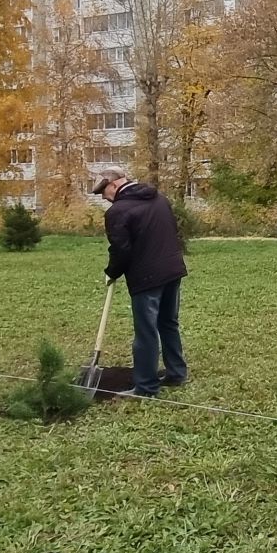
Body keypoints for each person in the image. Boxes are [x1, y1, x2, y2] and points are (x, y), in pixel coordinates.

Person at [95, 166, 188, 398]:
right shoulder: (159, 199)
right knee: (168, 323)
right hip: (173, 270)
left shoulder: (118, 212)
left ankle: (146, 387)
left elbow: (121, 250)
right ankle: (176, 373)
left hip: (147, 277)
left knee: (146, 332)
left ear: (114, 185)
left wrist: (112, 272)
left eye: (105, 194)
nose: (106, 201)